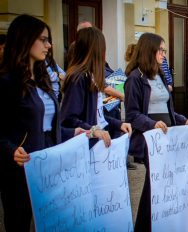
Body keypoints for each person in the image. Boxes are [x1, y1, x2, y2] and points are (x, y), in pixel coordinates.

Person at [0, 14, 82, 231]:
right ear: (25, 40)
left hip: (49, 167)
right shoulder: (7, 83)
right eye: (43, 39)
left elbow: (48, 128)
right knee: (19, 223)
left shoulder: (43, 80)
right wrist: (10, 150)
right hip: (20, 171)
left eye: (48, 40)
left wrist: (77, 132)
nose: (49, 45)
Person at [124, 32, 188, 232]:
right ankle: (145, 226)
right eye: (161, 50)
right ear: (150, 50)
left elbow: (167, 108)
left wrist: (183, 120)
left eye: (164, 50)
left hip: (169, 136)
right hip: (151, 140)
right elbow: (131, 115)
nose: (164, 54)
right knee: (154, 184)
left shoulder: (159, 75)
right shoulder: (134, 78)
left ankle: (163, 223)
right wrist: (151, 124)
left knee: (165, 184)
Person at [61, 27, 132, 149]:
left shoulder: (91, 76)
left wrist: (119, 124)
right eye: (102, 49)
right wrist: (93, 130)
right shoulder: (78, 78)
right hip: (86, 148)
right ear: (94, 51)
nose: (104, 54)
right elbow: (69, 120)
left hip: (97, 145)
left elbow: (98, 117)